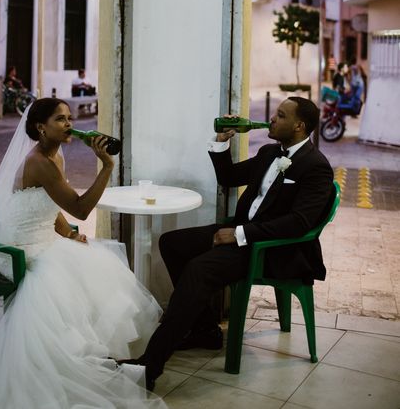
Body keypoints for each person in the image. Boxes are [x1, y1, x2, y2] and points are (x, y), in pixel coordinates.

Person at [0, 98, 166, 409]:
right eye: (60, 119)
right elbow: (80, 207)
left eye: (69, 118)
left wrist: (69, 233)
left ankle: (87, 352)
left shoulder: (55, 154)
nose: (69, 124)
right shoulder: (39, 162)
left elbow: (50, 207)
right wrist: (107, 166)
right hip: (18, 249)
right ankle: (67, 358)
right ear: (41, 127)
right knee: (69, 280)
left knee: (97, 261)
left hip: (43, 238)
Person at [119, 97, 334, 390]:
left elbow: (299, 222)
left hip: (272, 249)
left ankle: (150, 365)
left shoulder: (316, 166)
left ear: (299, 126)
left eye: (280, 115)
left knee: (198, 269)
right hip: (245, 233)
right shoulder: (271, 152)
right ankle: (205, 329)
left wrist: (240, 234)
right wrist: (222, 142)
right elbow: (229, 177)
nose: (271, 119)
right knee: (172, 243)